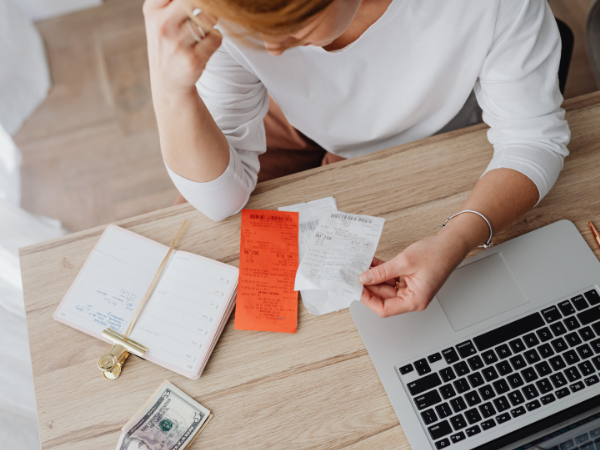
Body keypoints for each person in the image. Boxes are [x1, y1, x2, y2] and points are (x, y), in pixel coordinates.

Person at [143, 0, 570, 318]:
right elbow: (220, 201)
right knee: (192, 234)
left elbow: (534, 139)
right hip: (284, 110)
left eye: (294, 26)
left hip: (428, 122)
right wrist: (170, 91)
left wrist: (457, 239)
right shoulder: (223, 11)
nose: (272, 51)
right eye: (254, 31)